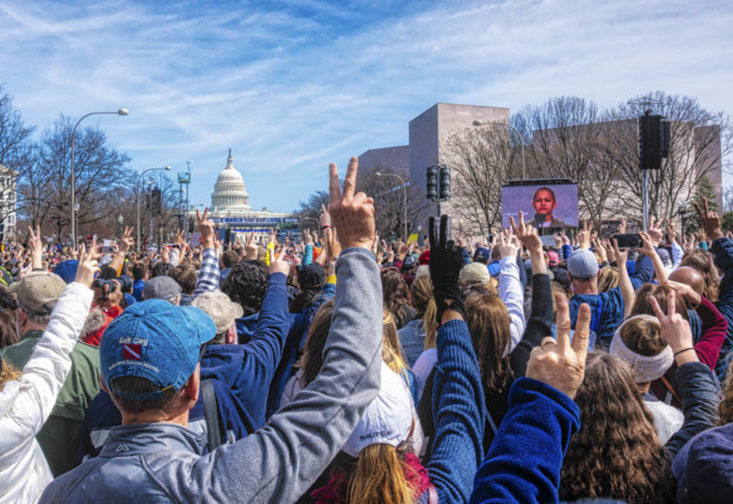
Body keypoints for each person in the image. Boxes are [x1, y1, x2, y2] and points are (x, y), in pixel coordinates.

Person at [41, 156, 385, 503]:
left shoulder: (57, 493)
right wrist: (355, 249)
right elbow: (349, 380)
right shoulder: (224, 484)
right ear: (194, 385)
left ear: (105, 385)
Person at [0, 245, 97, 502]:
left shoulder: (7, 358)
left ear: (21, 315)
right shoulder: (19, 412)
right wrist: (81, 287)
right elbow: (53, 350)